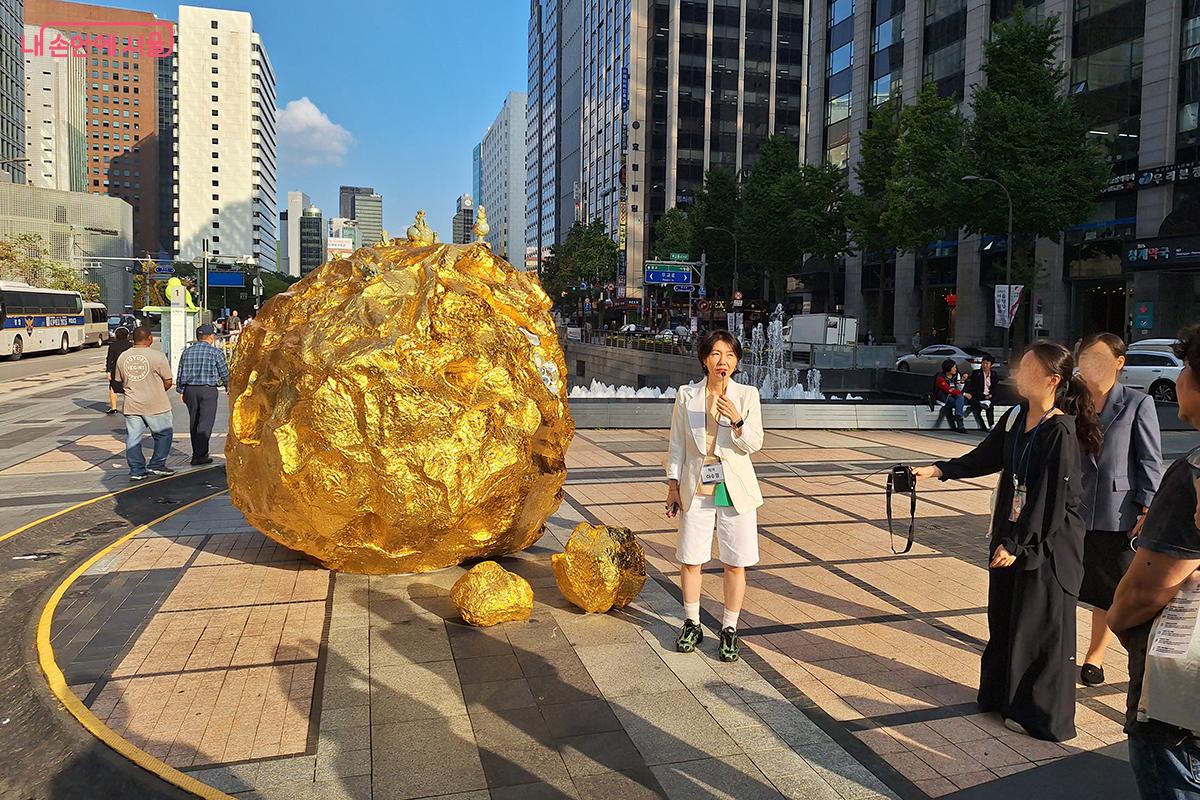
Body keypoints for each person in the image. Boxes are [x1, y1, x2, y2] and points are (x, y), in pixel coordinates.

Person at [914, 341, 1100, 741]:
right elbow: (987, 456)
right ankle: (1001, 698)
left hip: (1046, 546)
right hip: (1015, 533)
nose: (1018, 372)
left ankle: (1039, 716)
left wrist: (1018, 544)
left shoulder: (1060, 430)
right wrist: (937, 470)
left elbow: (1052, 499)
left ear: (1053, 380)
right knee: (1004, 618)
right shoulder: (1017, 416)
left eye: (1029, 367)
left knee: (1038, 627)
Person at [1108, 325, 1200, 800]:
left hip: (1180, 709)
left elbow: (1147, 590)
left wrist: (1117, 622)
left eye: (1185, 368)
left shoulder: (1193, 474)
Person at [665, 330, 764, 663]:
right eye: (717, 355)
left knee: (734, 562)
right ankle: (692, 623)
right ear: (705, 359)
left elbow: (754, 444)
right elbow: (677, 443)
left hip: (733, 487)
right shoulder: (687, 395)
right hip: (698, 485)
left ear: (736, 362)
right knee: (691, 558)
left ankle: (729, 629)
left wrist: (736, 419)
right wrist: (673, 485)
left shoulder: (747, 395)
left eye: (731, 355)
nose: (724, 362)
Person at [1076, 333, 1162, 688]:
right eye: (1084, 357)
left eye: (1098, 357)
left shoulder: (1138, 403)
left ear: (1119, 362)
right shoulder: (1070, 400)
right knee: (1066, 581)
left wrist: (1145, 507)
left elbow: (1149, 460)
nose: (1089, 364)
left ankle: (1095, 655)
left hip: (1118, 512)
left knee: (1108, 589)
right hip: (1072, 507)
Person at [115, 326, 176, 481]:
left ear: (133, 339)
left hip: (132, 404)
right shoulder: (158, 356)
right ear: (149, 338)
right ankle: (157, 464)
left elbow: (118, 381)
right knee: (163, 434)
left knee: (133, 438)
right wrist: (158, 391)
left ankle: (136, 470)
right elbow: (168, 381)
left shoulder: (123, 357)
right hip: (156, 403)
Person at [176, 323, 229, 466]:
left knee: (194, 421)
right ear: (211, 336)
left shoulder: (187, 352)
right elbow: (225, 373)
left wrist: (181, 390)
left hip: (190, 390)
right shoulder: (215, 352)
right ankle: (201, 455)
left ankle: (196, 453)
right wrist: (228, 385)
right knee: (205, 422)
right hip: (208, 390)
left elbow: (180, 372)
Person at [104, 326, 133, 415]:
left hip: (115, 369)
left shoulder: (113, 345)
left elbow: (109, 359)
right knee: (129, 388)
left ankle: (114, 408)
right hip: (129, 368)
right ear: (127, 335)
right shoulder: (131, 345)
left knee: (112, 387)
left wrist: (108, 371)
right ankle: (129, 407)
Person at [965, 354, 998, 430]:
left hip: (988, 397)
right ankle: (990, 425)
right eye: (983, 363)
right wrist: (984, 396)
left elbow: (995, 388)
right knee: (986, 406)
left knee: (990, 405)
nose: (984, 365)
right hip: (978, 396)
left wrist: (990, 395)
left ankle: (991, 425)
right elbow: (974, 388)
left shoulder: (994, 374)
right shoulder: (977, 373)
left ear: (991, 365)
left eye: (987, 363)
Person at [934, 359, 968, 432]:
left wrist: (962, 381)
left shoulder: (956, 375)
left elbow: (959, 389)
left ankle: (958, 417)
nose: (956, 369)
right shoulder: (941, 378)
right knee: (959, 400)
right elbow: (948, 390)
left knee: (960, 398)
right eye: (954, 368)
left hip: (955, 397)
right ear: (948, 368)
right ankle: (960, 425)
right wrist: (964, 394)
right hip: (944, 398)